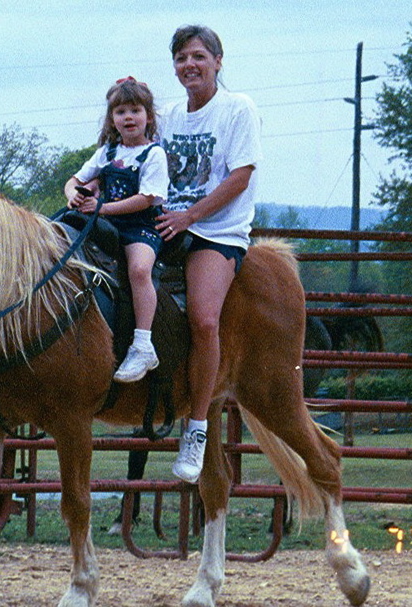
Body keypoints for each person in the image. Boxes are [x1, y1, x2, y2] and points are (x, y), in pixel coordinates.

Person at [155, 25, 263, 483]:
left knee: (203, 318)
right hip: (167, 223)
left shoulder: (237, 109)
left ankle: (197, 426)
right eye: (181, 58)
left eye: (199, 56)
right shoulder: (168, 115)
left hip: (216, 230)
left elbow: (239, 176)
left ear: (218, 61)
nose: (189, 66)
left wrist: (189, 217)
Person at [65, 77, 169, 383]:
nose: (128, 117)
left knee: (138, 270)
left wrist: (101, 208)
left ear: (148, 116)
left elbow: (147, 198)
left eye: (135, 110)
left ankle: (143, 344)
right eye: (121, 111)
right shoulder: (106, 153)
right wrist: (73, 193)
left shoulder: (154, 155)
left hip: (141, 225)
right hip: (105, 222)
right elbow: (76, 180)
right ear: (113, 118)